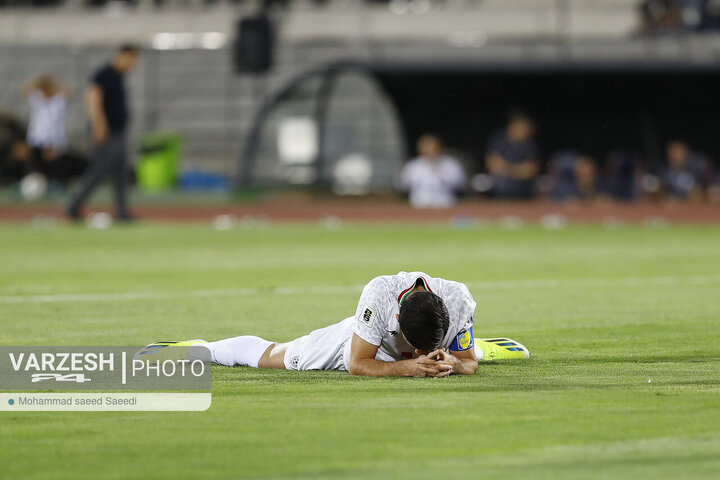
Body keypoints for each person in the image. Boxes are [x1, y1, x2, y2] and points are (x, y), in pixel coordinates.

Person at [138, 272, 530, 378]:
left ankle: (483, 344)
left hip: (430, 337)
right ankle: (201, 348)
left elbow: (466, 364)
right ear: (398, 325)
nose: (419, 354)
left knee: (469, 353)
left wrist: (454, 361)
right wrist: (410, 366)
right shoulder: (379, 296)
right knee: (279, 356)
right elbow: (359, 362)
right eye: (414, 347)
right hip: (360, 340)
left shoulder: (459, 299)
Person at [67, 44, 139, 221]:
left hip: (118, 132)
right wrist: (99, 125)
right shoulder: (104, 74)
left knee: (121, 174)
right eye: (132, 60)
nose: (133, 65)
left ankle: (122, 212)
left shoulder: (118, 77)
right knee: (98, 171)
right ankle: (74, 206)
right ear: (123, 56)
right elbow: (92, 98)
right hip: (107, 133)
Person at [21, 74, 75, 185]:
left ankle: (57, 185)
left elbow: (69, 92)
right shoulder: (38, 99)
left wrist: (54, 84)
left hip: (54, 141)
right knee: (35, 167)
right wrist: (38, 82)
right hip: (37, 139)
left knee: (54, 167)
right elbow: (24, 90)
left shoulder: (58, 101)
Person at [399, 134, 466, 208]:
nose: (430, 152)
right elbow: (403, 186)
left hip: (445, 205)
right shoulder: (413, 166)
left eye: (433, 149)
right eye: (427, 149)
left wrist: (440, 172)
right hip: (419, 206)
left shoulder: (450, 164)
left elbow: (460, 184)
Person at [484, 112, 539, 199]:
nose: (527, 131)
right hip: (499, 194)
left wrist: (507, 167)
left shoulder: (530, 145)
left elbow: (530, 170)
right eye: (524, 128)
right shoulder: (498, 141)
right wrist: (519, 170)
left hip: (524, 195)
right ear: (513, 126)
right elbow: (493, 166)